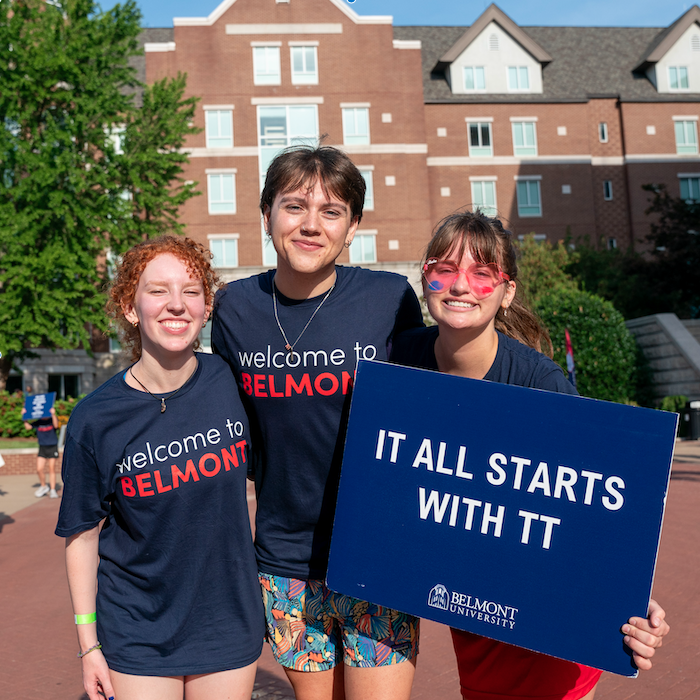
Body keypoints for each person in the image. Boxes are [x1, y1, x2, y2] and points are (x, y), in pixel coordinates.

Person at [390, 210, 670, 700]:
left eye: (482, 273)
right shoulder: (400, 364)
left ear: (506, 292)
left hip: (549, 626)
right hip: (473, 605)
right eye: (445, 269)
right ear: (426, 277)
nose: (460, 286)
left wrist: (629, 597)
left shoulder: (541, 387)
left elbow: (592, 504)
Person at [212, 145, 425, 700]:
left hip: (375, 556)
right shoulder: (233, 309)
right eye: (294, 206)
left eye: (331, 211)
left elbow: (436, 412)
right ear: (267, 216)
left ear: (353, 225)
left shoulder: (388, 299)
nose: (311, 225)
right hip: (284, 561)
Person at [55, 236, 264, 700]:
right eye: (157, 291)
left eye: (191, 291)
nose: (176, 304)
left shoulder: (231, 381)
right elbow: (82, 535)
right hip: (137, 630)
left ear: (207, 307)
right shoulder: (96, 417)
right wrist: (89, 646)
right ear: (131, 308)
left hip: (227, 622)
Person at [22, 391, 60, 498]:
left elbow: (56, 425)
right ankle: (44, 486)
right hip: (42, 447)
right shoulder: (38, 421)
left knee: (51, 468)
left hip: (52, 445)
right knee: (39, 469)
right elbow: (28, 427)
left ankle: (53, 490)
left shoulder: (50, 420)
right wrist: (24, 416)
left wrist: (53, 414)